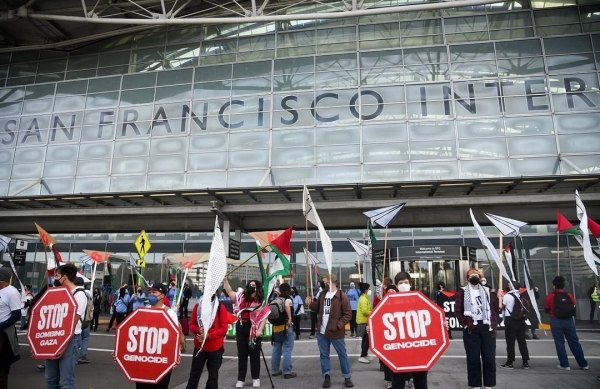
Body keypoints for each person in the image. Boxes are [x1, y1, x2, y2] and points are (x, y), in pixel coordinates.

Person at [306, 274, 353, 388]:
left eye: (325, 281)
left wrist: (338, 325)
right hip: (322, 332)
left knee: (342, 354)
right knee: (324, 355)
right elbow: (318, 308)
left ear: (332, 281)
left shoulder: (342, 296)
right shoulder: (322, 294)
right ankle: (326, 376)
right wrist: (310, 304)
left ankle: (347, 377)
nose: (323, 283)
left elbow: (348, 314)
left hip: (336, 332)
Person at [455, 268, 499, 389]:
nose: (474, 276)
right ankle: (476, 384)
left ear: (480, 277)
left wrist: (499, 298)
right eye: (471, 275)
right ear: (467, 278)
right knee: (473, 358)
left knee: (489, 357)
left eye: (476, 274)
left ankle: (489, 384)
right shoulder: (462, 292)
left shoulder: (488, 291)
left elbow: (495, 308)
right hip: (471, 328)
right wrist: (465, 324)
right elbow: (458, 310)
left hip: (487, 327)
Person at [46, 263, 88, 389]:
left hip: (69, 340)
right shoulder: (58, 292)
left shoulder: (79, 295)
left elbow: (72, 323)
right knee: (50, 379)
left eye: (57, 275)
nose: (55, 278)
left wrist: (62, 346)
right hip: (54, 338)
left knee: (66, 382)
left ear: (64, 277)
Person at [135, 282, 184, 389]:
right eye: (150, 292)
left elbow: (175, 337)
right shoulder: (144, 310)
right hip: (144, 360)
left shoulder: (170, 313)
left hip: (162, 361)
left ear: (162, 295)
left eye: (154, 292)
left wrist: (176, 356)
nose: (151, 294)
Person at [223, 278, 267, 389]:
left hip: (254, 329)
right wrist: (225, 280)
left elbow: (264, 317)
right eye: (250, 285)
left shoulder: (261, 301)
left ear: (258, 288)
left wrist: (260, 330)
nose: (251, 287)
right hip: (241, 326)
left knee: (254, 355)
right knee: (242, 355)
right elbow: (229, 292)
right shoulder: (240, 296)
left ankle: (255, 378)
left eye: (253, 285)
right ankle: (241, 379)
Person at [389, 271, 428, 389]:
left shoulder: (420, 298)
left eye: (406, 282)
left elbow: (430, 318)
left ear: (410, 283)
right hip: (398, 350)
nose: (403, 285)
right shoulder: (389, 301)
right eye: (400, 283)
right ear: (396, 286)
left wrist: (442, 324)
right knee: (398, 383)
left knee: (421, 383)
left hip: (418, 349)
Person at [184, 292, 231, 389]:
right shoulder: (198, 307)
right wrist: (198, 330)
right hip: (199, 347)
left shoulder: (220, 308)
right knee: (194, 376)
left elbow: (223, 329)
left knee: (213, 377)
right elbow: (191, 324)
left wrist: (209, 335)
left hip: (215, 348)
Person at [544, 275, 589, 371]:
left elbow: (547, 309)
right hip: (569, 320)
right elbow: (573, 306)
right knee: (574, 342)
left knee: (560, 342)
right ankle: (583, 364)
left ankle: (565, 364)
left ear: (554, 285)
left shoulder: (551, 296)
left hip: (556, 320)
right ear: (564, 285)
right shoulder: (569, 295)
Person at [500, 282, 530, 369]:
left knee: (510, 342)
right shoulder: (521, 295)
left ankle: (510, 362)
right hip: (521, 320)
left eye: (509, 284)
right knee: (522, 341)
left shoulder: (507, 296)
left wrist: (500, 298)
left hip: (510, 320)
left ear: (512, 287)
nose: (508, 285)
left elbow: (502, 307)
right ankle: (525, 362)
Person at [0, 267, 21, 389]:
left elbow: (16, 315)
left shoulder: (12, 292)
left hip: (4, 333)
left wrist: (1, 326)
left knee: (2, 364)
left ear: (2, 280)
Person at [270, 283, 297, 379]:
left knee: (276, 348)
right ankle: (287, 371)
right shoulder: (288, 298)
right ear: (288, 290)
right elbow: (287, 306)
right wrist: (289, 318)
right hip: (286, 327)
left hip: (276, 327)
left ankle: (274, 370)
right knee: (287, 349)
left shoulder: (276, 299)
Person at [73, 277, 91, 365]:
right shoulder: (88, 293)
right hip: (87, 319)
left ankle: (75, 357)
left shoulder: (75, 293)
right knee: (85, 338)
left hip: (78, 320)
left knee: (77, 337)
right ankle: (83, 356)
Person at [356, 282, 372, 364]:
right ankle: (362, 356)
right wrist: (373, 312)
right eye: (369, 289)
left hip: (365, 321)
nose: (370, 290)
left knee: (366, 339)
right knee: (366, 340)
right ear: (366, 290)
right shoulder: (363, 299)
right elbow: (365, 311)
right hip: (363, 322)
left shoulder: (365, 298)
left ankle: (365, 354)